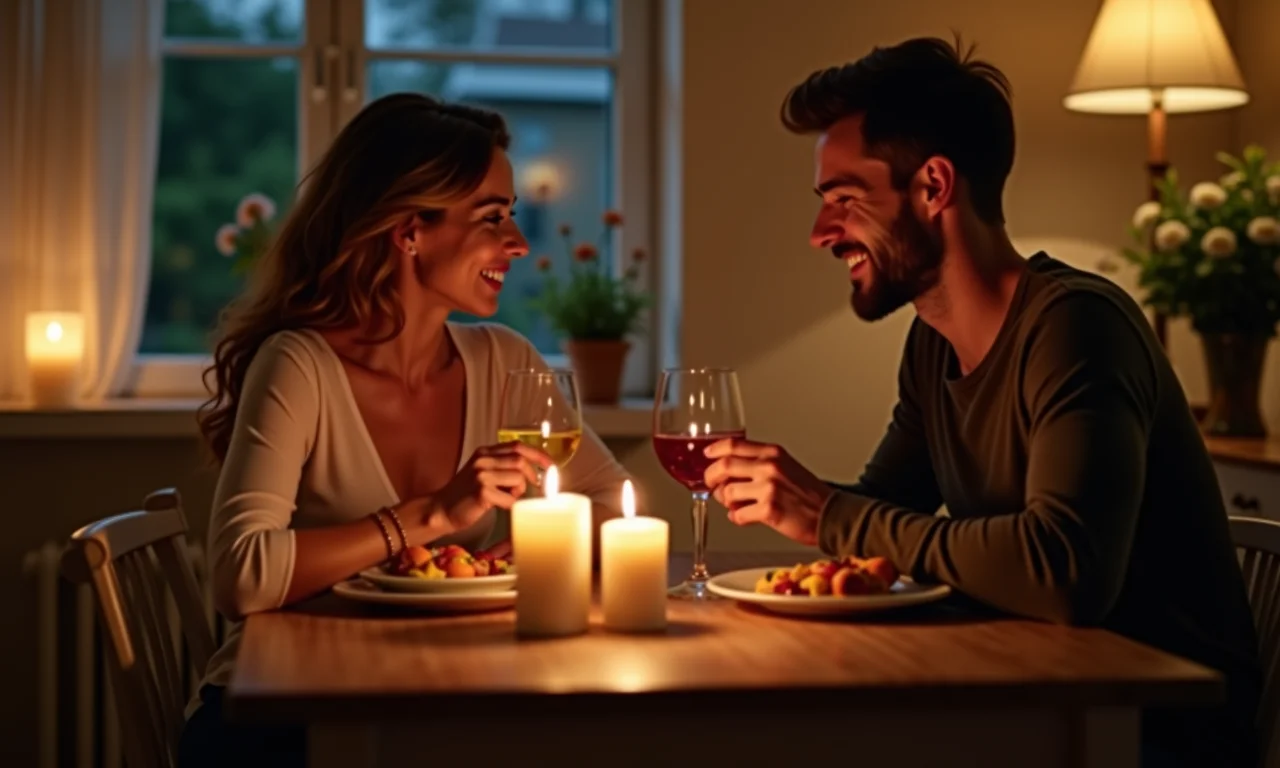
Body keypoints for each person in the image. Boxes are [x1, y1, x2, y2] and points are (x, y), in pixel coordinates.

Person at [702, 36, 1261, 768]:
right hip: (1036, 689)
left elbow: (1065, 572)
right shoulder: (933, 344)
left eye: (843, 199)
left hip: (1153, 730)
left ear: (933, 187)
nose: (819, 234)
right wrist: (798, 504)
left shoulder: (1077, 326)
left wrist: (833, 516)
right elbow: (882, 511)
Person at [178, 93, 630, 767]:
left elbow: (607, 500)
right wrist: (430, 516)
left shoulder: (505, 361)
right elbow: (240, 577)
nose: (518, 242)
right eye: (492, 218)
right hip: (283, 712)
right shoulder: (300, 364)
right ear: (409, 229)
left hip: (443, 690)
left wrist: (530, 552)